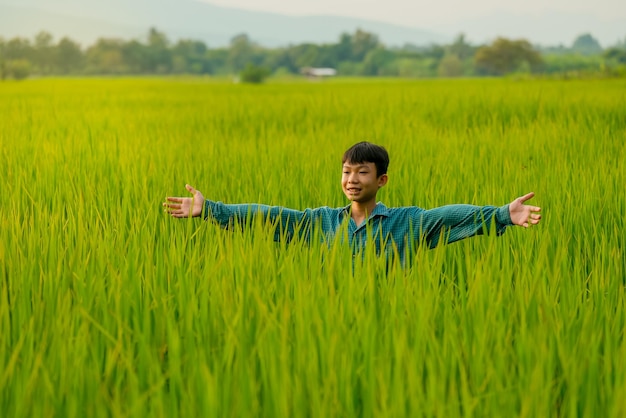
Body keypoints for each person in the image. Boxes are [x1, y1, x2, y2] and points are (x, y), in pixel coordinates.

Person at [163, 142, 541, 263]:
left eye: (362, 173)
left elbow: (447, 216)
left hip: (396, 321)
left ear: (381, 180)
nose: (352, 180)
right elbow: (270, 216)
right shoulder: (322, 222)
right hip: (336, 317)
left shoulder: (407, 223)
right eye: (346, 172)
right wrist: (210, 209)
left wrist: (502, 215)